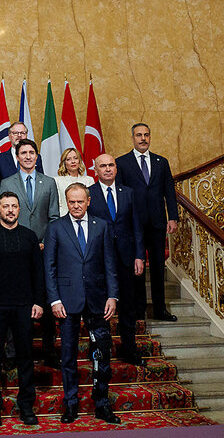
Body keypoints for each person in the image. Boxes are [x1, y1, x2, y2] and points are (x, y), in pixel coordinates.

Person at [44, 183, 120, 424]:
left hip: (98, 301)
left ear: (88, 201)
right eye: (71, 202)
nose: (76, 206)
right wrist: (54, 299)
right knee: (68, 356)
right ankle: (71, 404)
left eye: (80, 201)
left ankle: (102, 404)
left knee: (102, 355)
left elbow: (110, 263)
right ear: (67, 203)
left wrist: (113, 296)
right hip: (67, 302)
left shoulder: (102, 226)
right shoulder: (55, 227)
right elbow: (50, 268)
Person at [0, 191, 43, 427]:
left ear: (19, 210)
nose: (10, 210)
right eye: (6, 206)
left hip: (25, 305)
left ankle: (26, 407)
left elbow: (38, 273)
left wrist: (38, 302)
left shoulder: (30, 237)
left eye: (14, 206)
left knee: (25, 357)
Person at [0, 139, 60, 364]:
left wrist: (44, 241)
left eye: (32, 152)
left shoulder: (49, 182)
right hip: (15, 251)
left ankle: (49, 349)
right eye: (23, 153)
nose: (28, 156)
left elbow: (53, 217)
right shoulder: (7, 182)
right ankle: (13, 351)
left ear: (37, 156)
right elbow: (1, 216)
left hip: (43, 249)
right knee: (16, 301)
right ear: (17, 156)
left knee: (44, 298)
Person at [86, 153, 145, 363]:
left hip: (127, 258)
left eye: (111, 165)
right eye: (103, 166)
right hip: (99, 260)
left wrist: (140, 255)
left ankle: (129, 349)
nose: (108, 169)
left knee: (128, 305)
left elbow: (137, 226)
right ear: (96, 170)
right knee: (100, 306)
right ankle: (101, 349)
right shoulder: (89, 194)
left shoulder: (128, 193)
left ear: (116, 169)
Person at [116, 123, 179, 321]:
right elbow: (120, 195)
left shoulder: (161, 162)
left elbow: (169, 191)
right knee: (137, 267)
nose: (143, 138)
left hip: (157, 223)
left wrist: (173, 217)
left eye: (146, 135)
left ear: (150, 137)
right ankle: (139, 309)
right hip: (133, 225)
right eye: (139, 135)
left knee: (159, 267)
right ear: (132, 138)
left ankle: (160, 309)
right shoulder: (122, 163)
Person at [0, 121, 29, 199]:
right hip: (8, 206)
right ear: (9, 136)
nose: (19, 136)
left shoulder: (36, 158)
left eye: (22, 133)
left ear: (26, 135)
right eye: (15, 133)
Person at [53, 147, 95, 213]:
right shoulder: (56, 181)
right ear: (64, 163)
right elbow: (57, 205)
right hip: (65, 218)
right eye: (68, 159)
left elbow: (92, 203)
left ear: (79, 161)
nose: (73, 161)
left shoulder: (89, 180)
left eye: (75, 158)